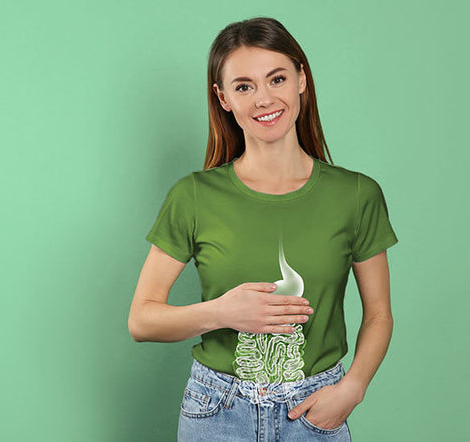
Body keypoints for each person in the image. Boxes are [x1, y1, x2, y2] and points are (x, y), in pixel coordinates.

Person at [127, 17, 397, 441]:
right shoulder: (194, 196)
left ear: (301, 79)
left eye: (276, 78)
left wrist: (353, 388)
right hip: (217, 410)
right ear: (223, 98)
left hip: (315, 410)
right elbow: (142, 319)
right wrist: (223, 312)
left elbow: (379, 313)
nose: (264, 98)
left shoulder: (357, 195)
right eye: (243, 86)